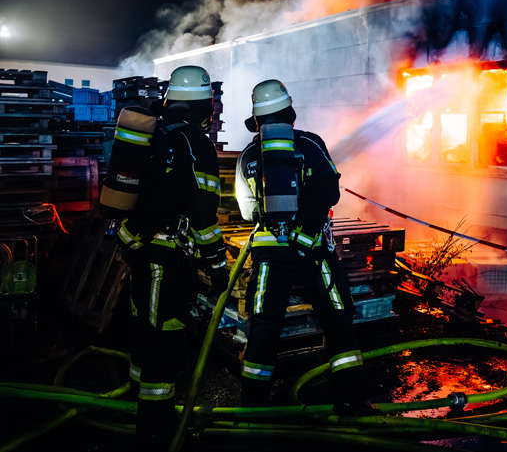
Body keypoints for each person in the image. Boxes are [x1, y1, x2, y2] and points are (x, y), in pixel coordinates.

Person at [235, 79, 377, 414]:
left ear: (256, 120)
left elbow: (247, 212)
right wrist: (305, 229)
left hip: (270, 257)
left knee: (264, 327)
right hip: (315, 253)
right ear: (290, 113)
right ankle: (350, 400)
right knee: (338, 321)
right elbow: (331, 192)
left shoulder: (248, 156)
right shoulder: (311, 144)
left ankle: (253, 408)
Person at [115, 65, 229, 448]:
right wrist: (218, 265)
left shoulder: (158, 134)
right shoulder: (195, 143)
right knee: (163, 339)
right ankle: (154, 428)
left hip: (139, 247)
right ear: (205, 106)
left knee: (143, 329)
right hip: (164, 259)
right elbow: (203, 215)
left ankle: (136, 405)